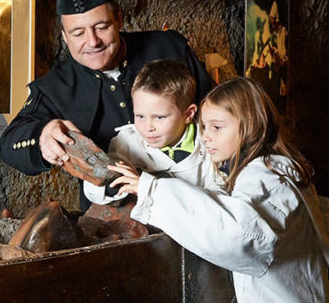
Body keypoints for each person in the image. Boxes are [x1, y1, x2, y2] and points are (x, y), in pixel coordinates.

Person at [108, 77, 329, 303]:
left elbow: (239, 235)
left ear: (249, 126)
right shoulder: (276, 168)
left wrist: (150, 190)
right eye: (204, 127)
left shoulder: (265, 179)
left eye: (217, 127)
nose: (206, 136)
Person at [0, 0, 213, 210]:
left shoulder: (170, 47)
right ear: (64, 37)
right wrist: (43, 134)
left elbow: (219, 110)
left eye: (101, 27)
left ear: (118, 19)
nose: (92, 41)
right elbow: (9, 144)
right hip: (111, 222)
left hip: (195, 202)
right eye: (78, 33)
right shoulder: (54, 87)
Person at [83, 59, 225, 206]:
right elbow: (94, 187)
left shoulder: (209, 144)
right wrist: (113, 184)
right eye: (140, 116)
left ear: (188, 114)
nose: (148, 127)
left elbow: (220, 196)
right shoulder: (127, 142)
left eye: (159, 117)